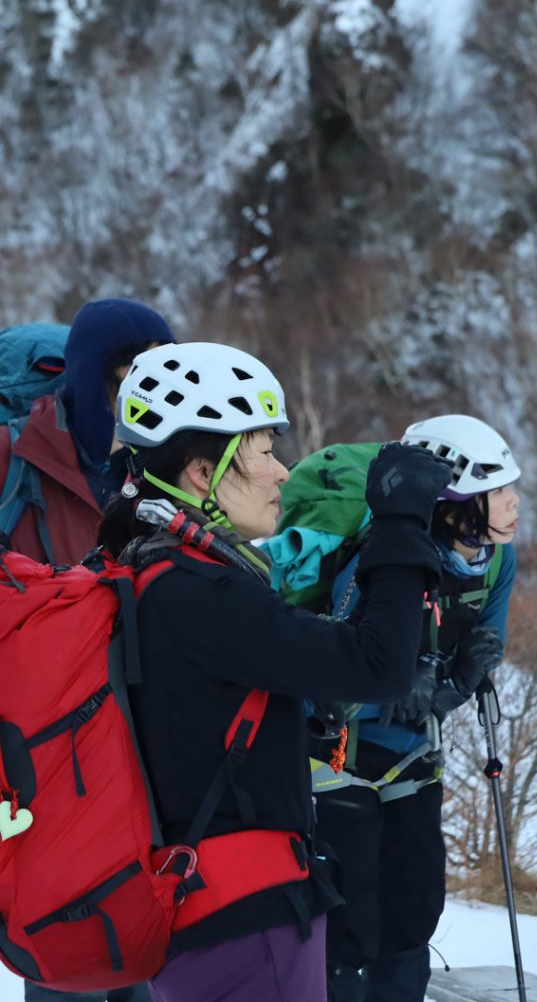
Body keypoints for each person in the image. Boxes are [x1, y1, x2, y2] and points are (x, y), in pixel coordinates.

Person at [98, 342, 452, 1002]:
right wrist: (403, 525)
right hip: (247, 917)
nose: (283, 473)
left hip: (200, 909)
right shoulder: (203, 591)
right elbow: (379, 665)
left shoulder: (138, 566)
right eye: (263, 452)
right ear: (204, 473)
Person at [311, 415, 521, 1002]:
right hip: (338, 754)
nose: (513, 503)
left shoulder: (499, 563)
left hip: (412, 753)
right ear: (453, 505)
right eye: (497, 492)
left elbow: (471, 662)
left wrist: (451, 680)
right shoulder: (382, 559)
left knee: (414, 902)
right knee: (351, 907)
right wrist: (400, 679)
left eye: (510, 489)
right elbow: (329, 670)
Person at [6, 299, 173, 1002]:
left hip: (143, 736)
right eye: (128, 380)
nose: (145, 400)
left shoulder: (163, 473)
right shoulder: (16, 461)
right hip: (46, 741)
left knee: (145, 948)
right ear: (84, 379)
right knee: (69, 943)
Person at [0, 298, 174, 567]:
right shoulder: (11, 455)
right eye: (143, 365)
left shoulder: (173, 460)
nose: (164, 381)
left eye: (170, 363)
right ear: (96, 372)